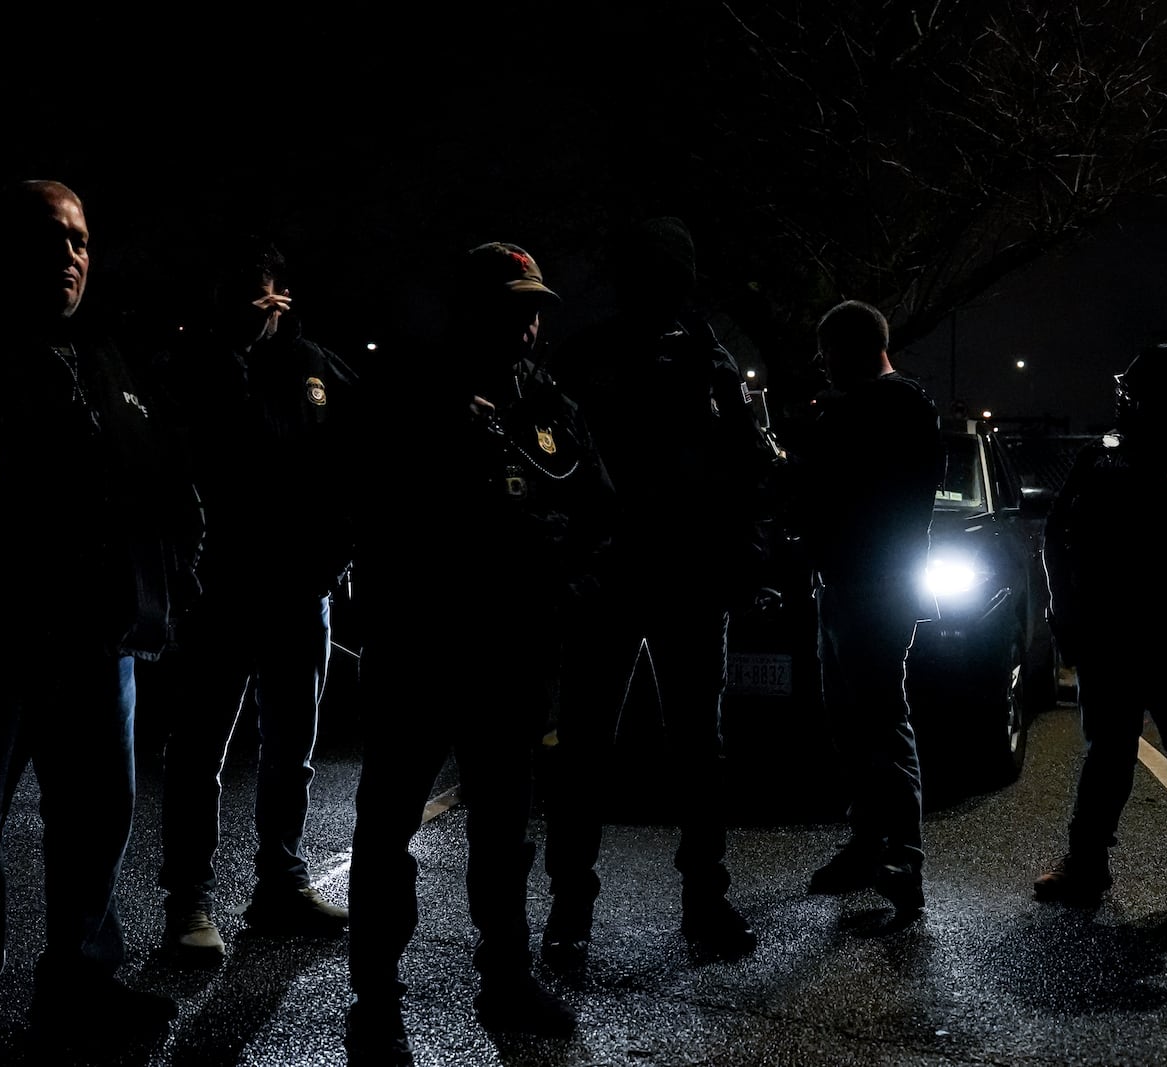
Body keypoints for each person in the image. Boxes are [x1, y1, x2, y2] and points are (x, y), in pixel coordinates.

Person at [0, 179, 202, 1059]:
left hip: (96, 636)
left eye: (77, 240)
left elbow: (146, 474)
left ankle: (80, 980)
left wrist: (163, 575)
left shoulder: (104, 352)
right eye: (47, 240)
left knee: (98, 815)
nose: (67, 257)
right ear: (3, 253)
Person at [342, 242, 615, 1065]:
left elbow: (600, 509)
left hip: (512, 651)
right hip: (421, 646)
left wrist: (564, 582)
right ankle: (376, 1000)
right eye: (513, 306)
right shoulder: (403, 393)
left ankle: (506, 977)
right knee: (388, 824)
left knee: (503, 830)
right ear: (470, 311)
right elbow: (360, 500)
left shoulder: (549, 403)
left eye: (535, 307)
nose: (530, 322)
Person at [539, 216, 780, 970]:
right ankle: (577, 910)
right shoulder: (599, 357)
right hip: (614, 578)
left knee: (689, 752)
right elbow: (551, 465)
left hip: (682, 579)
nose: (660, 291)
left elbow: (750, 470)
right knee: (591, 749)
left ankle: (695, 902)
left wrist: (743, 551)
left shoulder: (707, 360)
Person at [149, 235, 358, 964]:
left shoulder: (316, 366)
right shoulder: (195, 367)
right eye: (241, 290)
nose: (256, 304)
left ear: (284, 294)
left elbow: (354, 466)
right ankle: (188, 902)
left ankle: (281, 885)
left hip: (303, 593)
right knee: (199, 750)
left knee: (291, 751)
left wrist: (339, 557)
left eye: (266, 289)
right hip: (222, 595)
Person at [1032, 343, 1167, 923]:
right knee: (1107, 753)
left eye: (1141, 390)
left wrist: (1162, 485)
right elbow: (1055, 535)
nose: (1130, 402)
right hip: (1111, 630)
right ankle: (1085, 865)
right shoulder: (1105, 455)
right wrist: (1062, 610)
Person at [798, 299, 942, 918]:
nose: (822, 366)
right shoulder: (864, 407)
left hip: (879, 588)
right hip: (844, 586)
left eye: (828, 353)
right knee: (852, 723)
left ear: (855, 348)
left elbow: (869, 485)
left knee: (882, 720)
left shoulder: (901, 402)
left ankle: (903, 859)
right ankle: (866, 845)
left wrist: (833, 422)